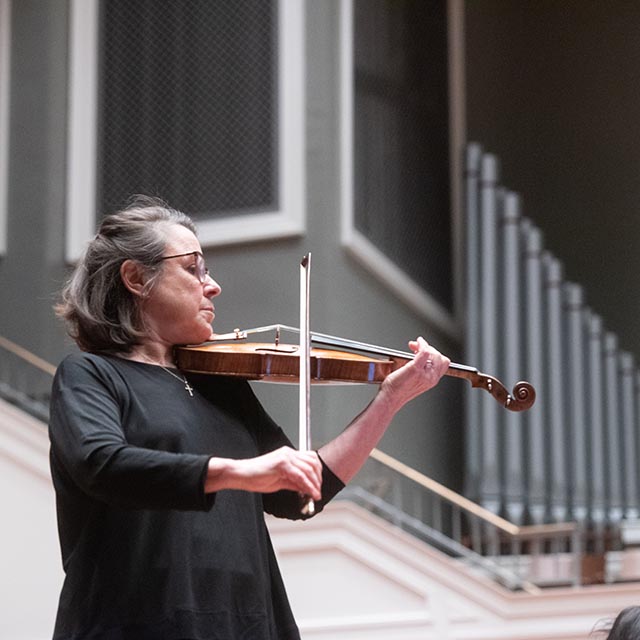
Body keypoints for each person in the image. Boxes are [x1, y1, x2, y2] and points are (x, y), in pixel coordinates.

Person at [49, 195, 450, 640]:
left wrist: (389, 400)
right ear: (136, 278)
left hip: (247, 624)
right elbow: (101, 465)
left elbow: (298, 492)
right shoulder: (91, 374)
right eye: (193, 268)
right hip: (138, 624)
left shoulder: (220, 383)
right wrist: (238, 472)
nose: (213, 284)